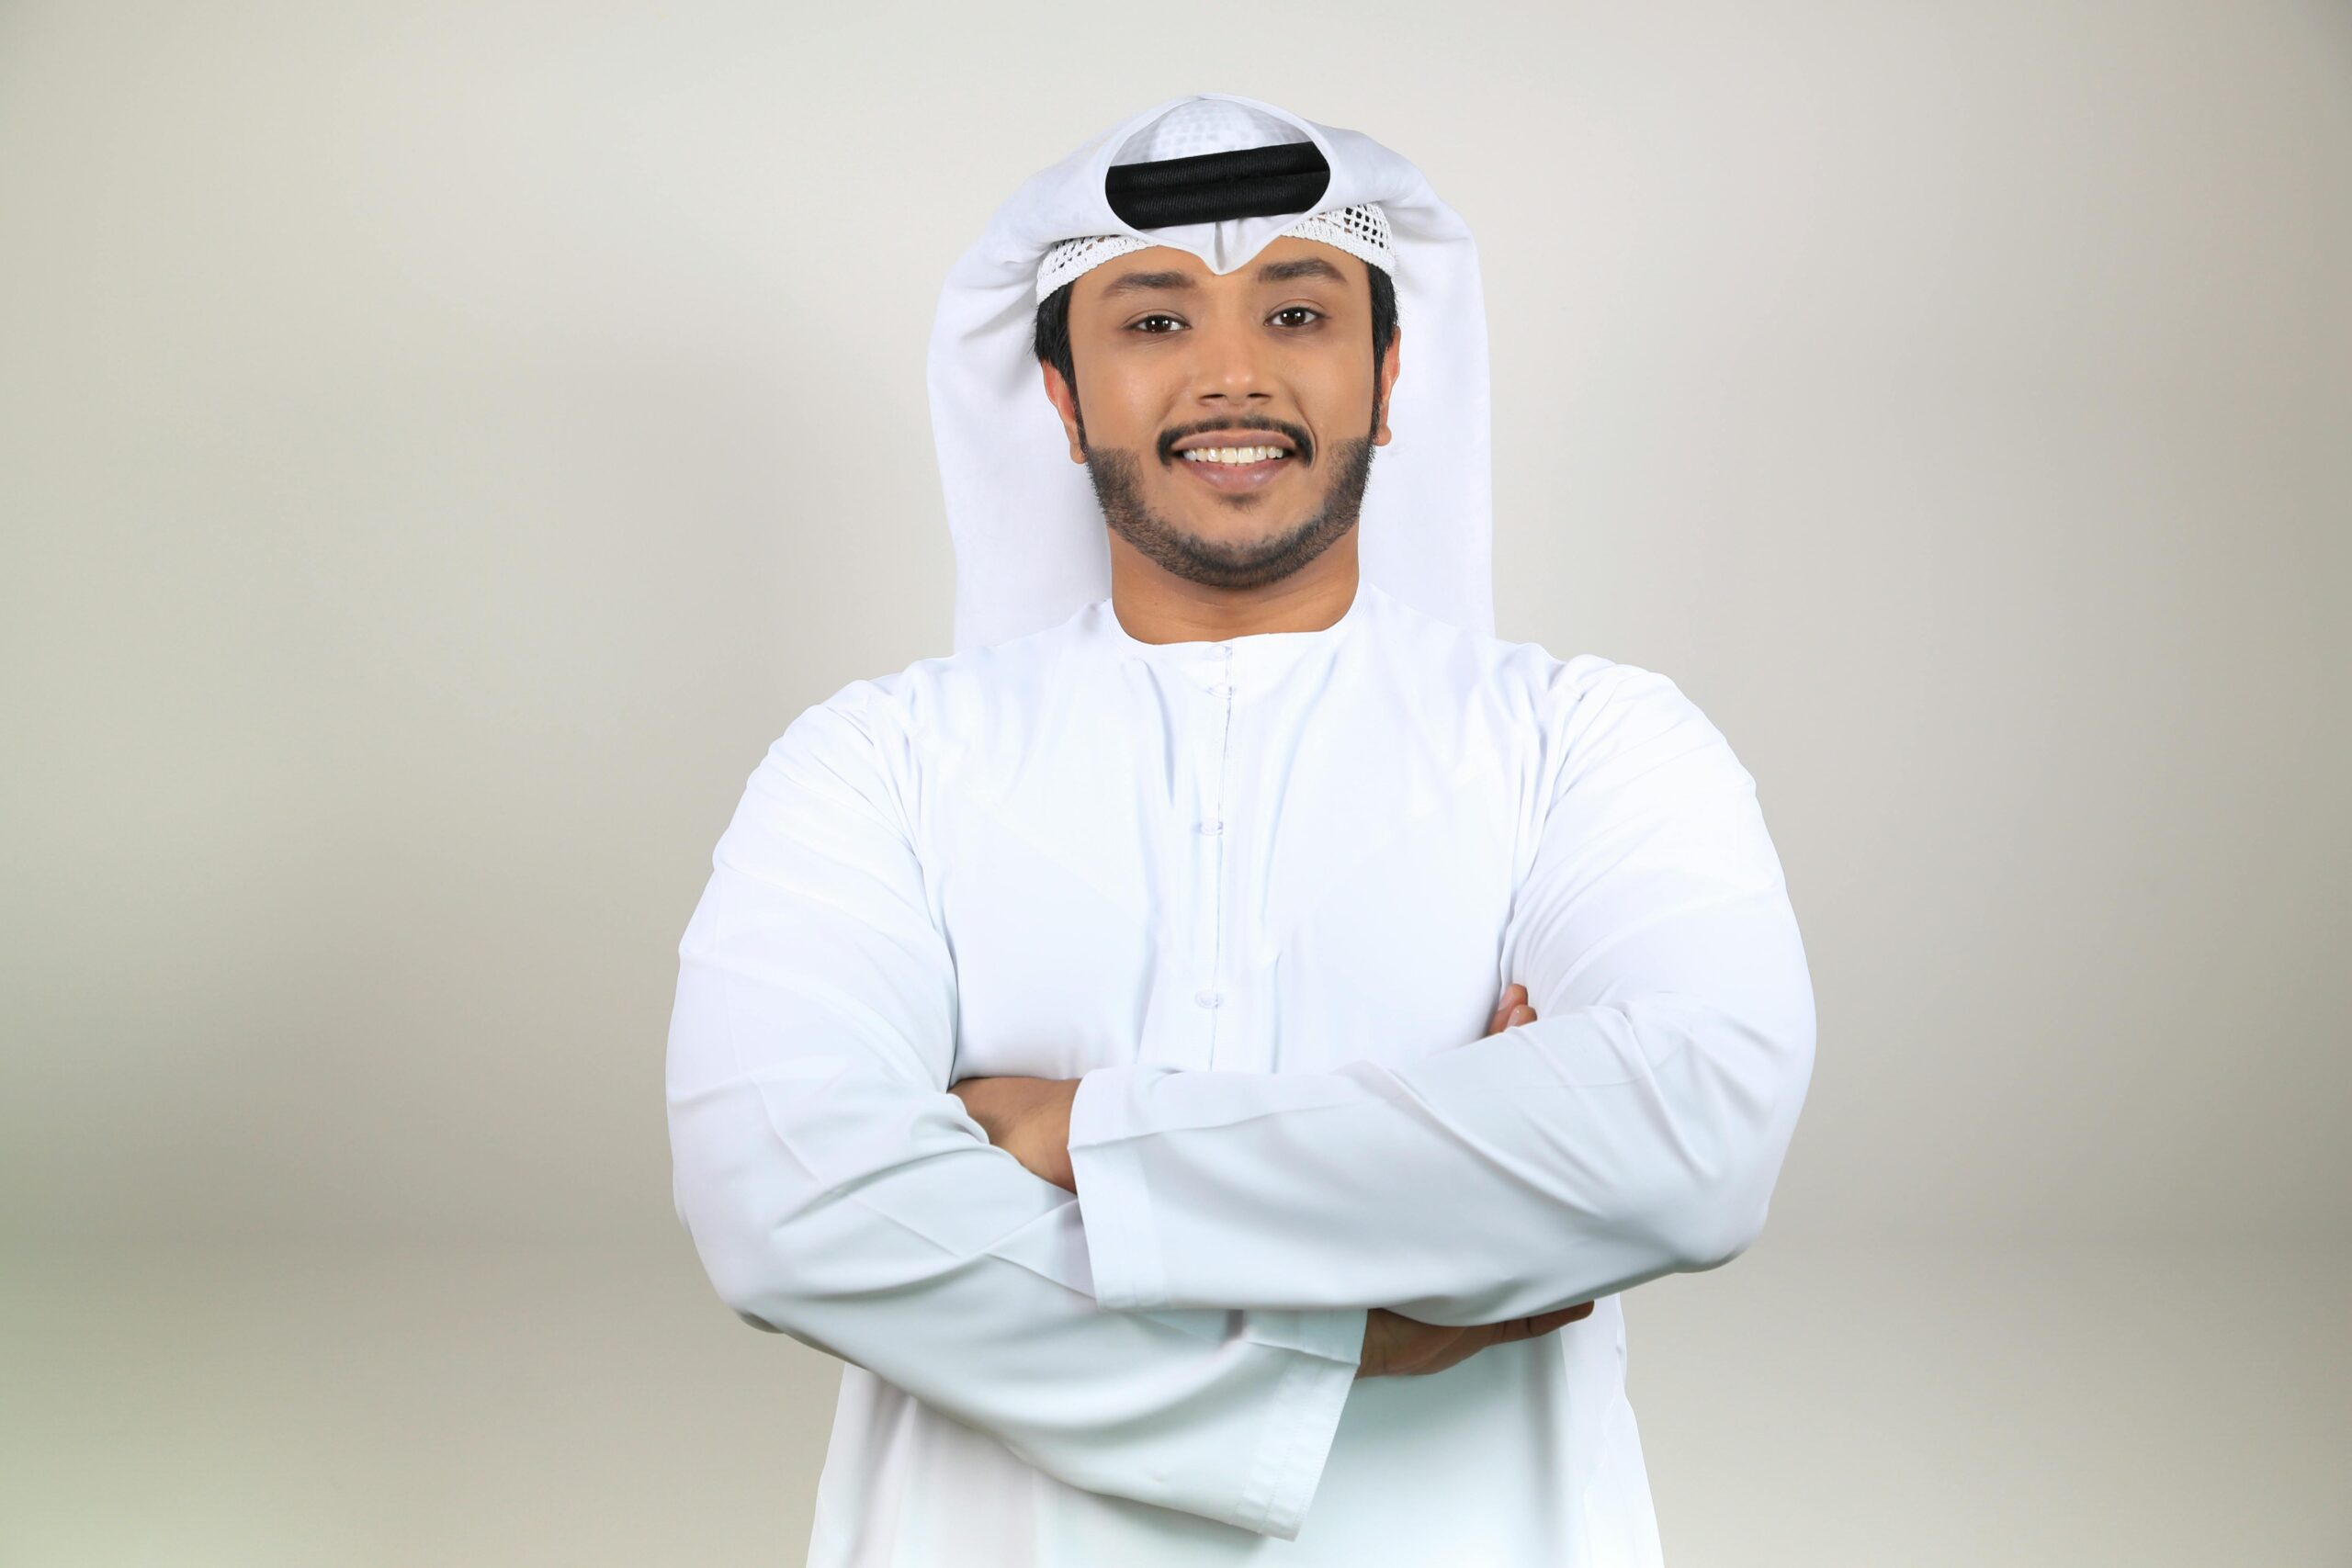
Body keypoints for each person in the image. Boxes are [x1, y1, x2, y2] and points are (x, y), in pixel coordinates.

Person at [665, 92, 1815, 1566]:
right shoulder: (874, 765)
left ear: (1390, 377)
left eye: (1295, 311)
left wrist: (1071, 1130)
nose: (1228, 375)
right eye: (1153, 321)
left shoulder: (1589, 742)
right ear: (1065, 399)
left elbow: (1691, 1135)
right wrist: (1347, 1327)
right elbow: (783, 1200)